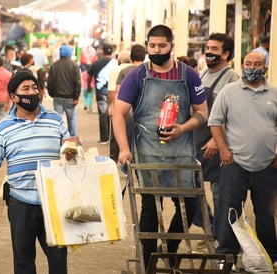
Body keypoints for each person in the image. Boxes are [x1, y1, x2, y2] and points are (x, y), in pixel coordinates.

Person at [113, 24, 208, 269]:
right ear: (147, 46)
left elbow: (202, 113)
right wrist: (124, 149)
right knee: (150, 210)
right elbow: (118, 113)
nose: (157, 50)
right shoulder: (137, 76)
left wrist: (182, 128)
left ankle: (170, 248)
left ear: (171, 46)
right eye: (152, 46)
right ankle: (148, 261)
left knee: (189, 204)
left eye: (162, 46)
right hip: (148, 153)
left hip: (181, 153)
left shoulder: (189, 75)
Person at [0, 71, 70, 274]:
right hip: (20, 201)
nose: (32, 92)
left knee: (58, 259)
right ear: (13, 97)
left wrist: (73, 151)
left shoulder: (56, 120)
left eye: (35, 88)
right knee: (23, 261)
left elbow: (69, 150)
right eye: (25, 89)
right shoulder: (3, 128)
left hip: (53, 202)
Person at [208, 51, 277, 269]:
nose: (252, 67)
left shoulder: (274, 94)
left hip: (267, 165)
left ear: (265, 67)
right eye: (248, 63)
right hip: (234, 163)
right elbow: (215, 122)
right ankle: (226, 256)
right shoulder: (229, 92)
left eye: (257, 64)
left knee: (266, 214)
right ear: (241, 64)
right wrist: (223, 150)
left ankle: (270, 256)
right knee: (231, 212)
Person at [192, 33, 240, 248]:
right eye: (208, 48)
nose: (209, 52)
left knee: (220, 193)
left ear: (226, 53)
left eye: (214, 49)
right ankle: (210, 229)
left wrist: (215, 139)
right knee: (192, 191)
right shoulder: (203, 75)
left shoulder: (232, 78)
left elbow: (235, 115)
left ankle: (223, 239)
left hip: (218, 145)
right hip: (197, 140)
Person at [109, 44, 146, 163]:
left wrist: (113, 107)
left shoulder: (124, 71)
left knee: (124, 135)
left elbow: (119, 92)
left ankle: (125, 161)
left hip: (127, 109)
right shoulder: (148, 71)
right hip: (142, 109)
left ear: (131, 56)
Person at [87, 43, 118, 144]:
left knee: (103, 114)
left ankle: (104, 138)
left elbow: (89, 76)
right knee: (113, 113)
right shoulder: (116, 63)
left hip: (101, 91)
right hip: (114, 91)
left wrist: (88, 86)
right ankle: (114, 137)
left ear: (103, 51)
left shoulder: (96, 63)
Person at [47, 45, 81, 137]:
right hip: (70, 98)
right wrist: (76, 97)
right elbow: (77, 82)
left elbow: (50, 82)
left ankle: (58, 137)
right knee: (72, 119)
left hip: (57, 97)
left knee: (58, 119)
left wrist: (51, 93)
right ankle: (73, 139)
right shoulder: (75, 66)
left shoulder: (54, 65)